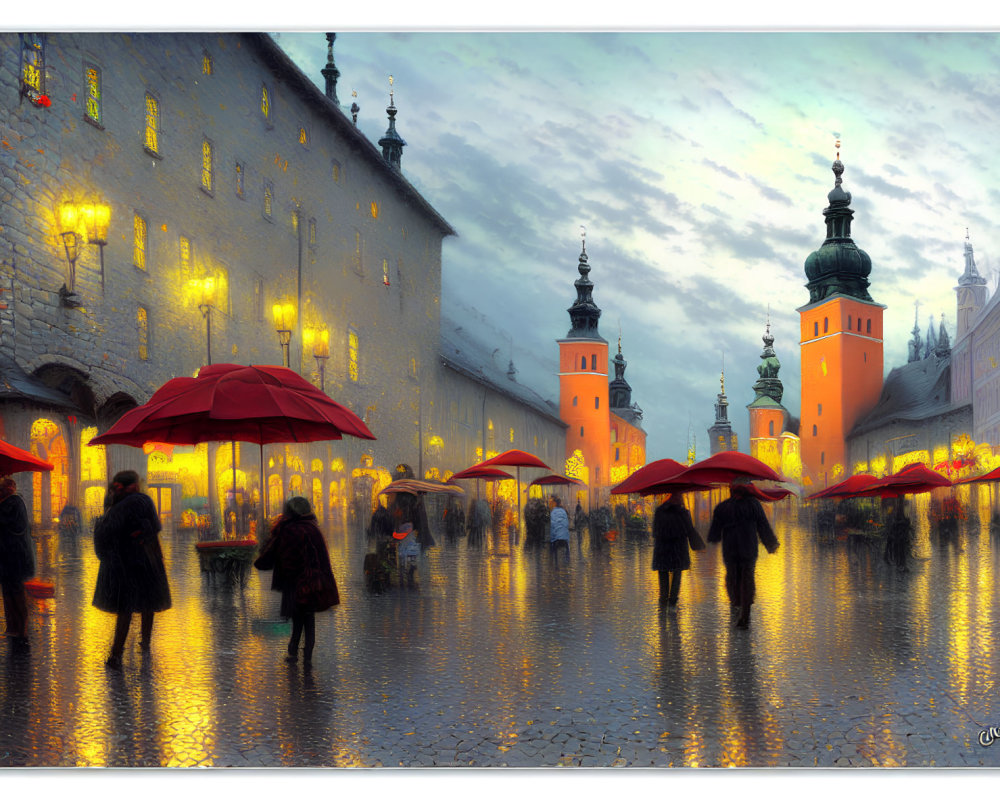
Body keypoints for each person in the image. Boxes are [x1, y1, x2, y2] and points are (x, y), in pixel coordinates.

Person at [92, 470, 172, 669]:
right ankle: (144, 644)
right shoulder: (143, 501)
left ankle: (116, 655)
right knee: (148, 603)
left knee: (124, 608)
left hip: (122, 562)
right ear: (135, 485)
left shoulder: (113, 504)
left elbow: (106, 535)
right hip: (145, 558)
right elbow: (155, 528)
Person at [254, 496, 339, 665]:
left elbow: (275, 554)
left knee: (297, 618)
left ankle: (293, 652)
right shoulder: (313, 529)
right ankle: (307, 656)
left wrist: (262, 559)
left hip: (294, 583)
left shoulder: (288, 530)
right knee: (308, 620)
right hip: (313, 583)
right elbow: (323, 559)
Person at [707, 477, 779, 629]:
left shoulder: (723, 507)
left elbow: (714, 533)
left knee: (732, 577)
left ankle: (736, 603)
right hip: (748, 548)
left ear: (731, 490)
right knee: (747, 578)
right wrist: (771, 543)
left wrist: (713, 538)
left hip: (730, 550)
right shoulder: (754, 505)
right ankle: (745, 612)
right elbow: (763, 525)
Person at [652, 492, 705, 608]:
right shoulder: (683, 513)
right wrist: (699, 544)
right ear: (677, 498)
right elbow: (689, 530)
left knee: (664, 576)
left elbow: (654, 531)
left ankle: (663, 604)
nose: (682, 499)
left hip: (663, 549)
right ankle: (672, 604)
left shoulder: (660, 511)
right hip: (678, 549)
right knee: (677, 575)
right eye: (680, 496)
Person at [0, 477, 34, 648]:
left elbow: (5, 521)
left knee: (16, 591)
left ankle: (21, 628)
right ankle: (12, 626)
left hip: (14, 555)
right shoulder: (7, 502)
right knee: (8, 591)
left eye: (7, 485)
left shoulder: (14, 502)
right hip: (5, 555)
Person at [549, 496, 570, 564]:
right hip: (565, 537)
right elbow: (566, 524)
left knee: (552, 545)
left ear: (554, 503)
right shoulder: (564, 511)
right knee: (567, 544)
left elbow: (552, 526)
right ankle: (567, 559)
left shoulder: (553, 512)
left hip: (556, 538)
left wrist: (551, 539)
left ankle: (553, 560)